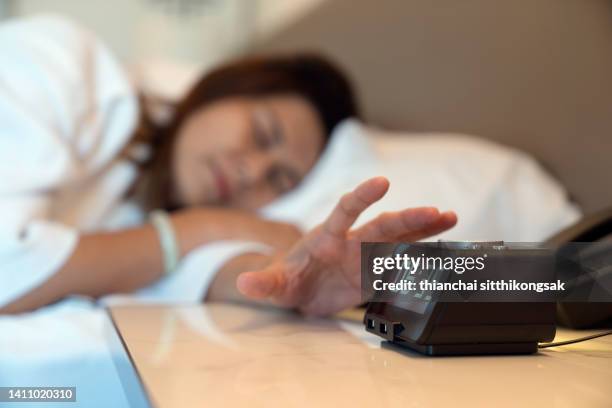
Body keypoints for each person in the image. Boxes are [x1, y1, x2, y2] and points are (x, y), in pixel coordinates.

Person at [0, 16, 457, 314]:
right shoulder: (56, 65)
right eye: (262, 134)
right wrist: (200, 227)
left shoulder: (156, 209)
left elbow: (194, 270)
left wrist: (291, 283)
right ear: (229, 88)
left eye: (280, 178)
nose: (252, 172)